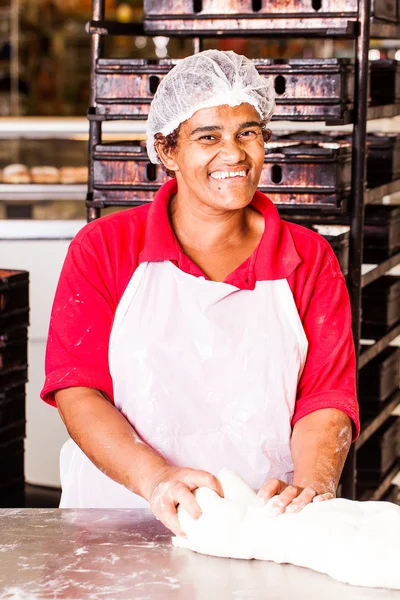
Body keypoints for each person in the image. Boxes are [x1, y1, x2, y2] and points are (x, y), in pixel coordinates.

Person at [41, 50, 359, 536]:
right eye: (207, 136)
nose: (233, 154)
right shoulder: (105, 248)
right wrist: (156, 479)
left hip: (259, 521)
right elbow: (77, 387)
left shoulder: (308, 258)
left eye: (247, 133)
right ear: (167, 151)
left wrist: (314, 484)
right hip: (122, 516)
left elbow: (325, 396)